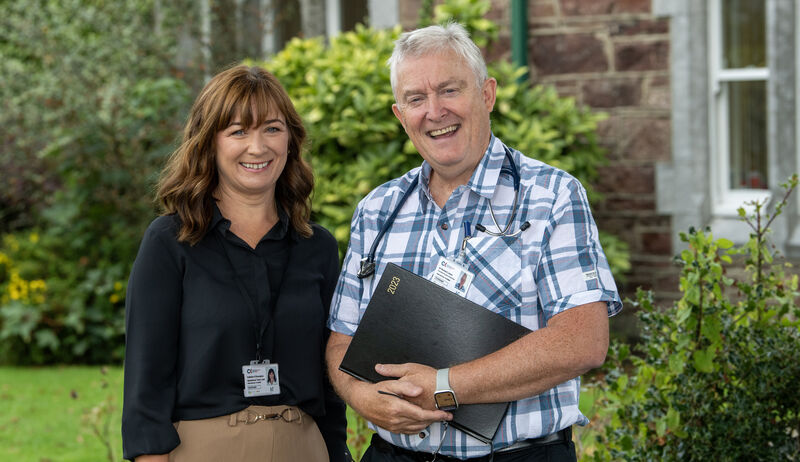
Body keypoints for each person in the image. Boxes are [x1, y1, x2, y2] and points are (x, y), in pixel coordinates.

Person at [326, 23, 622, 461]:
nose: (434, 111)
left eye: (449, 90)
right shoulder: (377, 210)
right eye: (416, 99)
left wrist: (444, 387)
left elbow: (582, 340)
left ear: (487, 94)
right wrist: (362, 398)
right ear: (399, 114)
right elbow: (341, 341)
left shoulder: (551, 197)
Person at [122, 65, 349, 462]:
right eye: (238, 131)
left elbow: (330, 385)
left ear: (291, 141)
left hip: (304, 448)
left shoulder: (319, 247)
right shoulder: (170, 242)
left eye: (272, 129)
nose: (257, 147)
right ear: (209, 142)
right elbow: (147, 384)